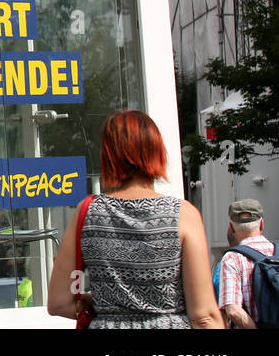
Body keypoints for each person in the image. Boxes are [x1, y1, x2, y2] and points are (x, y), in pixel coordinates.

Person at [46, 110, 223, 329]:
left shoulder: (88, 211)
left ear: (108, 156)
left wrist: (100, 303)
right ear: (157, 152)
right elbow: (203, 316)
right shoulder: (183, 214)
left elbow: (59, 303)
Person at [217, 198, 273, 329]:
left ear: (232, 228)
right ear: (262, 225)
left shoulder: (232, 258)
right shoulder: (277, 252)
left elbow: (233, 310)